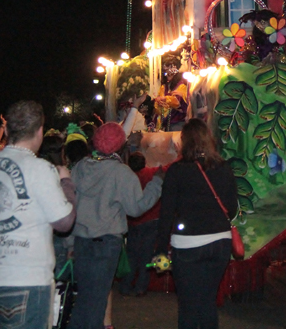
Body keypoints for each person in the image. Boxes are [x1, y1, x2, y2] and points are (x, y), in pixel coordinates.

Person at [0, 101, 76, 329]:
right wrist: (66, 183)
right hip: (27, 281)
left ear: (9, 129)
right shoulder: (40, 168)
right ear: (40, 130)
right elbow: (64, 222)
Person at [69, 122, 164, 329]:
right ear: (120, 146)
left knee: (84, 297)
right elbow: (136, 208)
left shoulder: (80, 167)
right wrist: (156, 184)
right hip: (106, 243)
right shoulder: (121, 173)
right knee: (97, 300)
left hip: (81, 241)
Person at [155, 119, 238, 329]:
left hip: (188, 244)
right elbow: (232, 208)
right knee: (208, 301)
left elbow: (166, 214)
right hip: (220, 242)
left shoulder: (176, 171)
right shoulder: (224, 168)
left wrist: (160, 251)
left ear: (184, 142)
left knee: (188, 305)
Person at [119, 152, 164, 297]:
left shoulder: (127, 178)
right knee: (146, 255)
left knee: (131, 255)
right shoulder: (152, 174)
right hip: (152, 221)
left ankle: (126, 286)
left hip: (133, 222)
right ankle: (141, 287)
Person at [154, 56, 189, 131]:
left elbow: (178, 102)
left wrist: (165, 99)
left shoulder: (182, 85)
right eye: (165, 72)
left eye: (170, 72)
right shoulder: (163, 87)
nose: (167, 74)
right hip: (164, 124)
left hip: (177, 123)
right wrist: (159, 102)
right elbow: (157, 106)